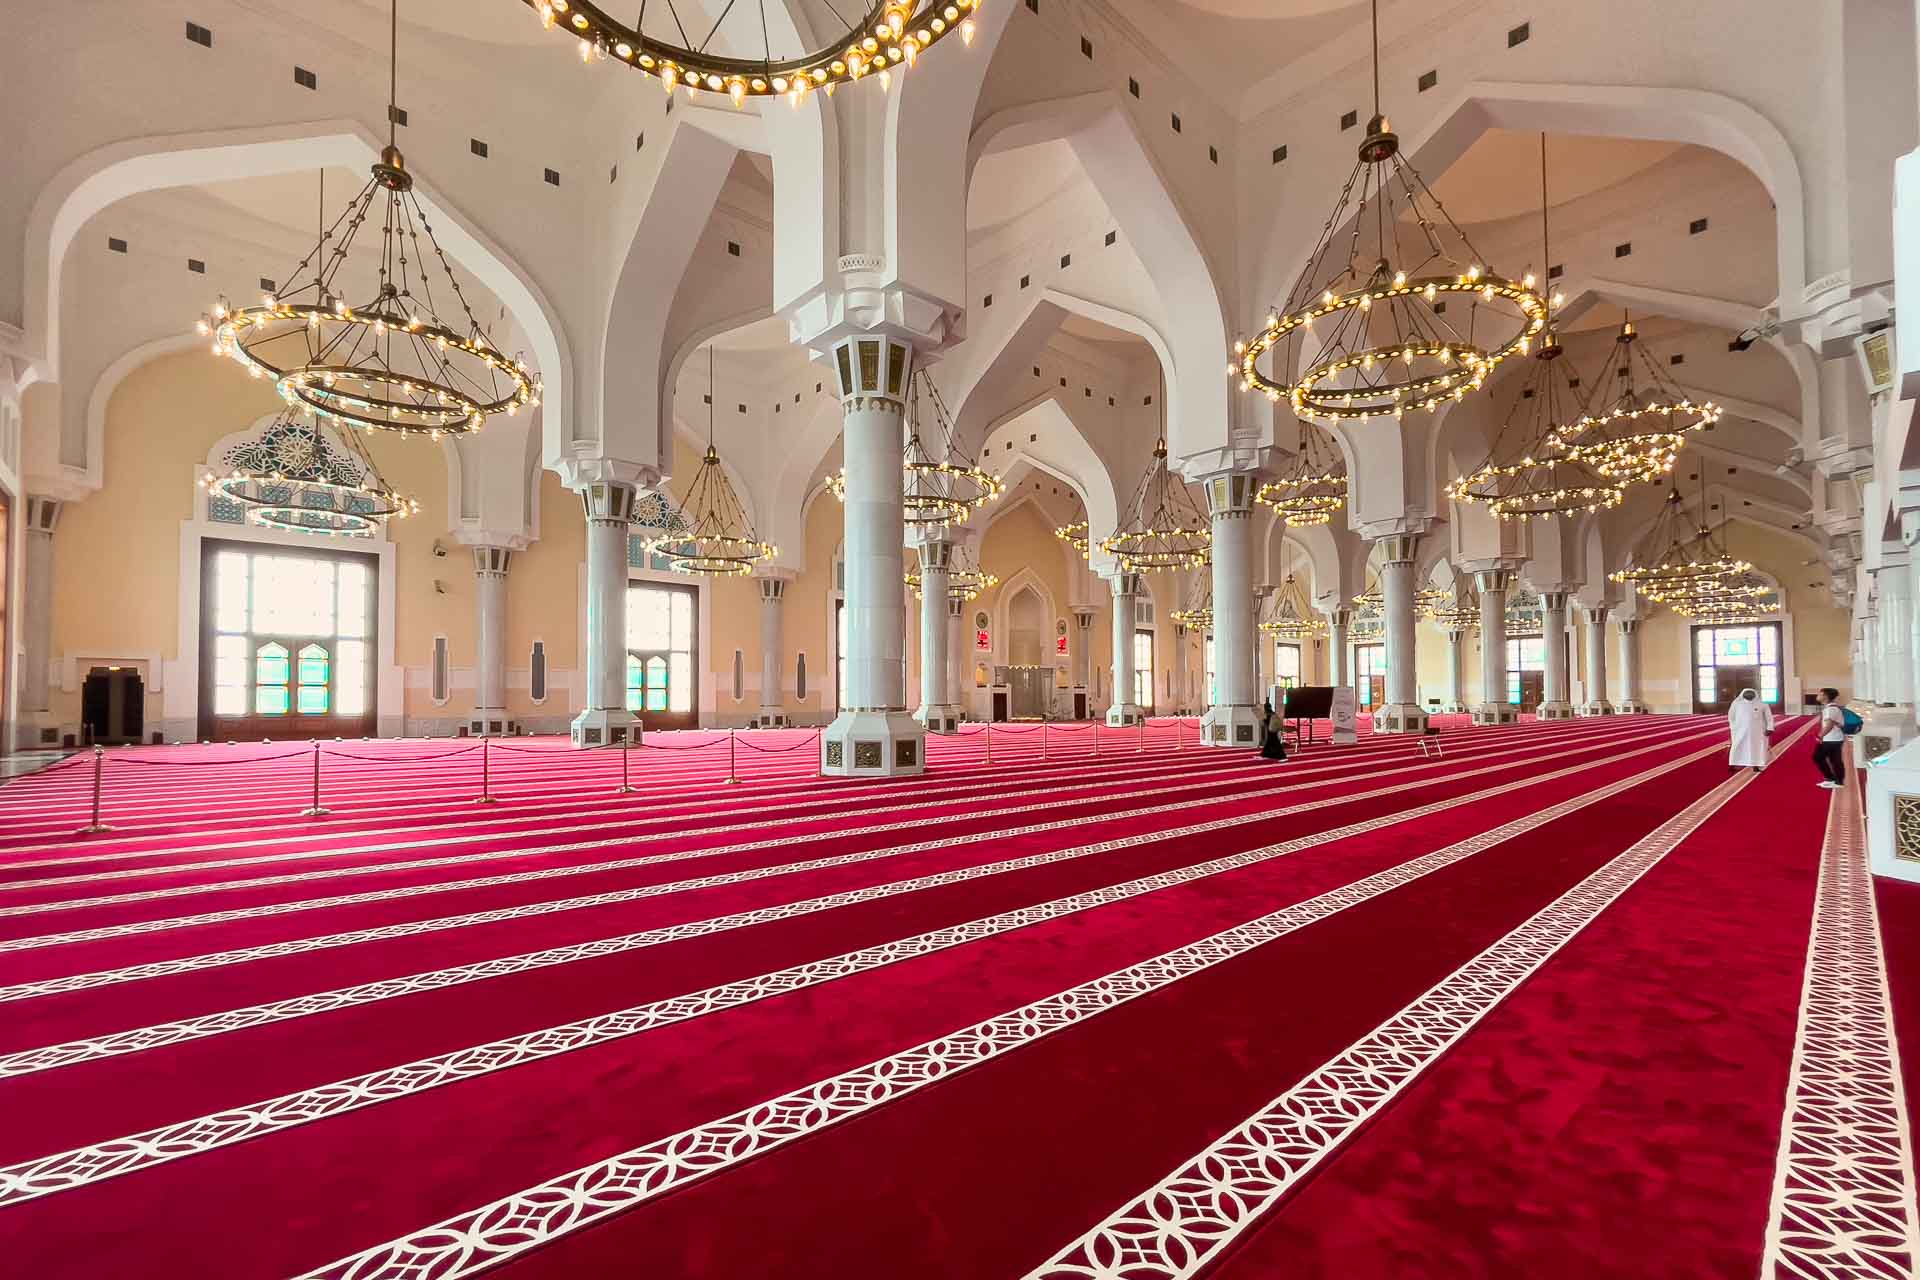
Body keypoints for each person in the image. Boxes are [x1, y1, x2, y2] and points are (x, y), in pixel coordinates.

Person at [1726, 687, 1774, 772]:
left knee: (1757, 748)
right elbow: (1731, 716)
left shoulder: (1762, 704)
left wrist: (1770, 728)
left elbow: (1769, 718)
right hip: (1739, 731)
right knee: (1737, 747)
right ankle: (1733, 764)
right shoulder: (1736, 704)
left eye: (1751, 693)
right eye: (1747, 693)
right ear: (1742, 694)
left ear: (1755, 694)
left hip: (1758, 732)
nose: (1749, 695)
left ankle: (1756, 765)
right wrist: (1733, 727)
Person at [1813, 687, 1847, 789]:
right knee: (1835, 760)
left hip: (1831, 739)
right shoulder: (1832, 708)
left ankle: (1832, 779)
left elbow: (1829, 725)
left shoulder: (1830, 709)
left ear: (1825, 696)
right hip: (1835, 738)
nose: (1817, 695)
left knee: (1818, 757)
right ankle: (1837, 781)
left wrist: (1820, 736)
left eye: (1820, 694)